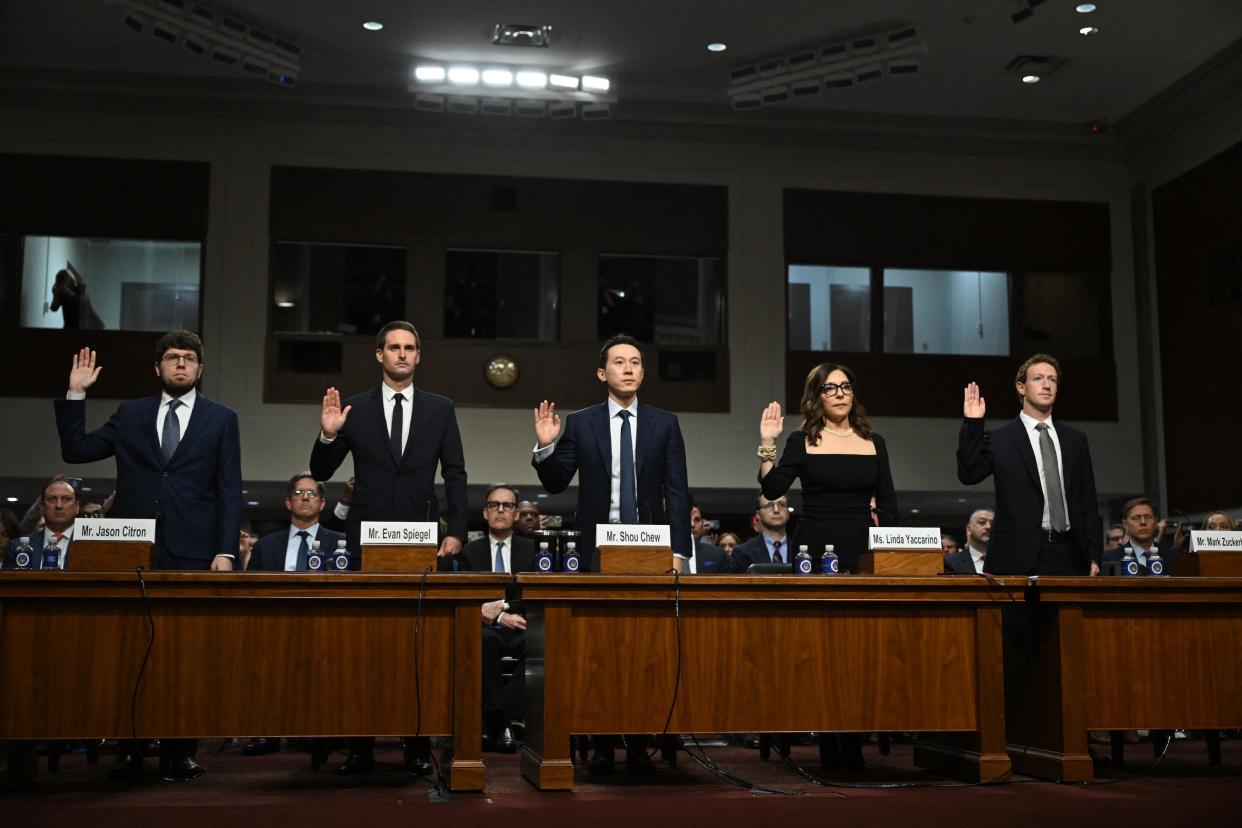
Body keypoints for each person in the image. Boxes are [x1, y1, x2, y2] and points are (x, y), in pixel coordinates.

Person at [54, 331, 242, 782]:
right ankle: (130, 750)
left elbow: (228, 488)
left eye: (189, 358)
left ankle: (181, 753)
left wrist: (225, 551)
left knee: (186, 655)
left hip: (195, 553)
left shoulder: (222, 418)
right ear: (157, 368)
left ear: (200, 369)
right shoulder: (131, 414)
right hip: (134, 550)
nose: (181, 364)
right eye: (173, 358)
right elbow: (76, 451)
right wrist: (76, 392)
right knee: (130, 651)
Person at [309, 320, 464, 776]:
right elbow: (319, 467)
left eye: (409, 348)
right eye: (393, 347)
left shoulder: (440, 408)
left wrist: (455, 529)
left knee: (418, 646)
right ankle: (361, 745)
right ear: (379, 355)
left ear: (419, 357)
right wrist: (330, 433)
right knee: (366, 647)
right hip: (366, 544)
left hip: (420, 543)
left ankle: (416, 746)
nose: (401, 354)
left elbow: (455, 472)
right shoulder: (354, 407)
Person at [532, 333, 690, 774]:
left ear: (643, 372)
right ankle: (601, 742)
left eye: (636, 362)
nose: (628, 368)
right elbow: (556, 482)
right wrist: (546, 446)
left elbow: (676, 491)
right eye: (619, 362)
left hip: (650, 556)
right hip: (596, 556)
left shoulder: (665, 422)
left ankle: (639, 742)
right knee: (598, 652)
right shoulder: (581, 423)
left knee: (644, 652)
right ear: (602, 373)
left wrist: (680, 551)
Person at [957, 353, 1101, 576]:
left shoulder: (1075, 439)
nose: (1047, 385)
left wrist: (1094, 555)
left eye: (1052, 380)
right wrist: (973, 424)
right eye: (1038, 379)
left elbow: (1088, 500)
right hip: (1016, 556)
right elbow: (969, 474)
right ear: (1021, 387)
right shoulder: (1000, 439)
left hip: (1071, 554)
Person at [751, 362, 898, 575]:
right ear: (816, 396)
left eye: (845, 387)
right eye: (830, 388)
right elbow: (772, 489)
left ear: (853, 395)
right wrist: (767, 442)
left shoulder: (875, 443)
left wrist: (891, 553)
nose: (840, 394)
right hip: (813, 548)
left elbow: (888, 504)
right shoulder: (801, 441)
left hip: (863, 548)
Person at [447, 484, 534, 753]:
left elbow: (539, 593)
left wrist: (505, 608)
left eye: (507, 505)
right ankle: (503, 723)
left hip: (523, 624)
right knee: (482, 643)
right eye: (494, 505)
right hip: (485, 627)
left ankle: (498, 721)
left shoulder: (532, 551)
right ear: (485, 513)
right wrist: (496, 618)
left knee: (543, 645)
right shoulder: (469, 552)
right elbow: (462, 595)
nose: (500, 510)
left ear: (516, 514)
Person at [2, 477, 79, 569]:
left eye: (66, 499)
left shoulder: (91, 545)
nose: (59, 505)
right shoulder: (16, 547)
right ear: (42, 507)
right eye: (52, 499)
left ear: (77, 507)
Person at [1101, 498, 1181, 574]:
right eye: (1136, 518)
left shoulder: (1173, 558)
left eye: (1148, 517)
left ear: (1156, 522)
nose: (1143, 522)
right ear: (1125, 525)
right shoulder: (1110, 560)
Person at [725, 494, 793, 571]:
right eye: (769, 506)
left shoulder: (802, 549)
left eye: (782, 504)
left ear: (788, 511)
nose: (776, 510)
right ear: (758, 515)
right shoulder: (743, 552)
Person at [944, 509, 993, 575]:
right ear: (969, 529)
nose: (988, 527)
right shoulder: (950, 562)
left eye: (993, 523)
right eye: (982, 522)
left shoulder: (1008, 562)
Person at [688, 502, 726, 574]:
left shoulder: (717, 554)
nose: (692, 524)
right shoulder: (665, 552)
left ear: (702, 524)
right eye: (687, 518)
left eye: (697, 520)